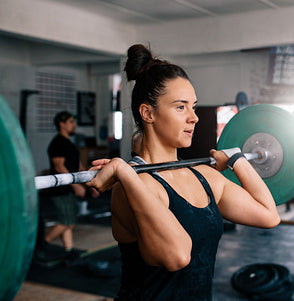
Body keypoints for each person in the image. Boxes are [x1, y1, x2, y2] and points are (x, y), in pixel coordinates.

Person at [86, 44, 280, 300]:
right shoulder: (132, 187)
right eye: (180, 107)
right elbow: (177, 255)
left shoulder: (204, 176)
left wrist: (238, 159)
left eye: (194, 107)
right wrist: (126, 173)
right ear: (148, 113)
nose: (194, 117)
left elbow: (269, 216)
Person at [43, 111, 98, 265]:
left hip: (67, 189)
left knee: (68, 221)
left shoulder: (68, 143)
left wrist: (90, 185)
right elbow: (59, 167)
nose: (74, 125)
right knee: (66, 221)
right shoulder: (58, 143)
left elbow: (79, 166)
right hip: (60, 189)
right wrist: (75, 187)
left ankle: (69, 250)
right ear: (62, 124)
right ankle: (42, 245)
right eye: (71, 122)